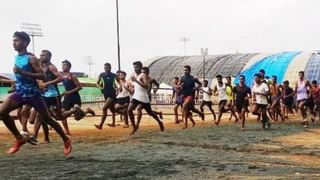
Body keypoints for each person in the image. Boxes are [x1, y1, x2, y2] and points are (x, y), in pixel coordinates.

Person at [0, 31, 71, 155]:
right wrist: (15, 84)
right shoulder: (17, 57)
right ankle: (19, 138)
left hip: (33, 94)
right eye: (13, 40)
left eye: (16, 40)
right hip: (20, 93)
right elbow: (20, 77)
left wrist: (22, 72)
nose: (14, 43)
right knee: (1, 112)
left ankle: (66, 139)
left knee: (48, 119)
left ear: (25, 42)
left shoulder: (31, 58)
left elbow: (42, 75)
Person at [60, 60, 95, 135]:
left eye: (65, 65)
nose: (63, 67)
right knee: (62, 114)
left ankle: (87, 111)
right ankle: (67, 132)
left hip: (75, 98)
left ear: (69, 67)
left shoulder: (72, 76)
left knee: (77, 118)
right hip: (67, 98)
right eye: (62, 65)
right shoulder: (62, 76)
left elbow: (79, 87)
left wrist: (68, 92)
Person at [127, 65, 164, 135]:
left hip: (145, 97)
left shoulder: (150, 78)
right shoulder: (138, 76)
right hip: (137, 96)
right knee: (130, 110)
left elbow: (147, 86)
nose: (143, 73)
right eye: (142, 72)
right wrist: (131, 87)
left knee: (150, 113)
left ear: (148, 72)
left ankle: (159, 122)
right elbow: (136, 86)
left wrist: (156, 89)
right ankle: (135, 126)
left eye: (144, 72)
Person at [95, 63, 117, 129]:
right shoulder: (101, 75)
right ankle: (124, 111)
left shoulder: (114, 75)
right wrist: (100, 87)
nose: (106, 69)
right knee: (113, 110)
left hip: (112, 94)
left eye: (107, 67)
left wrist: (118, 88)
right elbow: (97, 83)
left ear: (110, 68)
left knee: (104, 108)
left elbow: (118, 83)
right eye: (105, 68)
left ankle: (100, 125)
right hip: (105, 94)